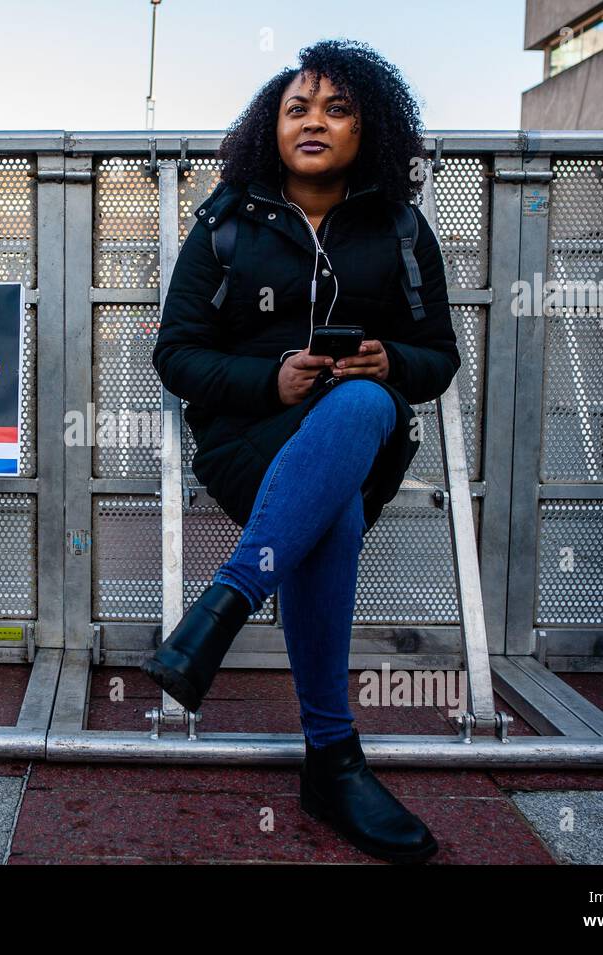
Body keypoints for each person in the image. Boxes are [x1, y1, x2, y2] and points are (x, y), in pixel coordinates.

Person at [143, 38, 460, 864]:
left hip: (360, 437)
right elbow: (174, 353)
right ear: (270, 129)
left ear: (370, 130)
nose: (314, 121)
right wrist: (269, 381)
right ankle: (332, 759)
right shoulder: (224, 223)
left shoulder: (398, 228)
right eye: (297, 108)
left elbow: (440, 357)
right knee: (334, 519)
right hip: (247, 442)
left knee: (358, 402)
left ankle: (226, 605)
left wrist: (391, 361)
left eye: (337, 108)